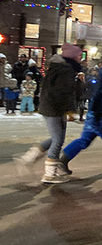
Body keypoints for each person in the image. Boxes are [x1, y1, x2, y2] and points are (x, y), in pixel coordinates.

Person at [14, 43, 82, 183]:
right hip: (54, 107)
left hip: (52, 106)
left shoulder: (59, 67)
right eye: (79, 55)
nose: (80, 58)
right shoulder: (66, 70)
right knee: (57, 140)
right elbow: (65, 92)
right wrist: (69, 110)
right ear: (72, 56)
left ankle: (29, 158)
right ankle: (49, 174)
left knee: (56, 138)